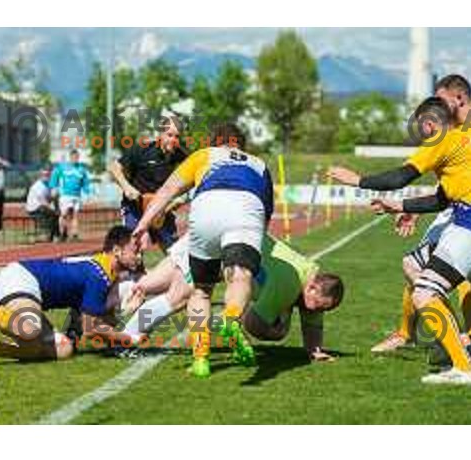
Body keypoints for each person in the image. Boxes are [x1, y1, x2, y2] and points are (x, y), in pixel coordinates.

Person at [329, 96, 471, 385]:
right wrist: (400, 207)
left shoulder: (443, 139)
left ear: (429, 124)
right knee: (413, 265)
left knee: (424, 293)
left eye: (420, 129)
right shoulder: (465, 143)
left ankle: (464, 367)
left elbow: (401, 176)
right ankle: (449, 343)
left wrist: (358, 180)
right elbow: (442, 199)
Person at [133, 122, 274, 378]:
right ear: (240, 143)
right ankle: (231, 319)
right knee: (240, 275)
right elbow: (266, 214)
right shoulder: (260, 164)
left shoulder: (204, 155)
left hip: (208, 206)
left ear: (214, 140)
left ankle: (201, 360)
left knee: (200, 291)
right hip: (247, 207)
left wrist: (142, 225)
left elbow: (166, 191)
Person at [0, 226, 143, 361]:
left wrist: (123, 320)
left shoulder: (105, 274)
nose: (139, 256)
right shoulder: (100, 275)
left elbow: (97, 326)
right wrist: (128, 338)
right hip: (22, 278)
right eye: (135, 250)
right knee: (30, 327)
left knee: (64, 349)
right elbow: (91, 328)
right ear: (116, 250)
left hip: (28, 292)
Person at [114, 233, 344, 362]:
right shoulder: (288, 284)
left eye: (322, 309)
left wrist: (315, 351)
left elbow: (313, 325)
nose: (315, 312)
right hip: (219, 245)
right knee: (177, 296)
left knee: (148, 285)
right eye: (317, 306)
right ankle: (122, 337)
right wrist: (277, 327)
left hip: (221, 241)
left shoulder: (310, 281)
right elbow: (254, 324)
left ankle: (111, 297)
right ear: (312, 287)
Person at [109, 115, 187, 251]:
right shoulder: (142, 149)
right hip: (135, 208)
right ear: (161, 134)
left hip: (161, 208)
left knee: (175, 252)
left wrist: (180, 199)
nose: (173, 140)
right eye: (170, 135)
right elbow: (114, 167)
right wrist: (127, 188)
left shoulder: (181, 155)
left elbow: (190, 179)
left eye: (177, 137)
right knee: (133, 248)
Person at [50, 149, 91, 241]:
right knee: (64, 214)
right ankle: (61, 233)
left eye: (77, 157)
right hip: (65, 195)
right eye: (73, 157)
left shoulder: (81, 169)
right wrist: (53, 187)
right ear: (70, 157)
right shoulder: (63, 167)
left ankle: (74, 234)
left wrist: (87, 193)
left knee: (75, 215)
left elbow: (85, 182)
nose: (75, 159)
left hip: (77, 195)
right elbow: (54, 176)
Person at [26, 168, 59, 241]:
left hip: (41, 207)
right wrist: (53, 209)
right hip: (33, 208)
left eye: (48, 175)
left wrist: (54, 197)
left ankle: (53, 235)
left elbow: (49, 199)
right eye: (44, 175)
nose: (46, 176)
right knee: (53, 214)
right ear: (40, 176)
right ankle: (54, 235)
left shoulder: (47, 185)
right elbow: (43, 201)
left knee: (55, 214)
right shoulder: (38, 186)